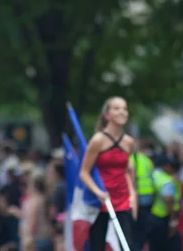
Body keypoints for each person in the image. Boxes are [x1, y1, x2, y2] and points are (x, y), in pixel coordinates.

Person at [79, 96, 136, 250]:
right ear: (107, 115)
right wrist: (98, 192)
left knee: (127, 245)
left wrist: (133, 197)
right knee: (97, 245)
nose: (122, 112)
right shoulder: (98, 140)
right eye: (117, 108)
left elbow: (127, 172)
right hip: (101, 200)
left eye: (124, 109)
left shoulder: (129, 142)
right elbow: (84, 172)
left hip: (122, 199)